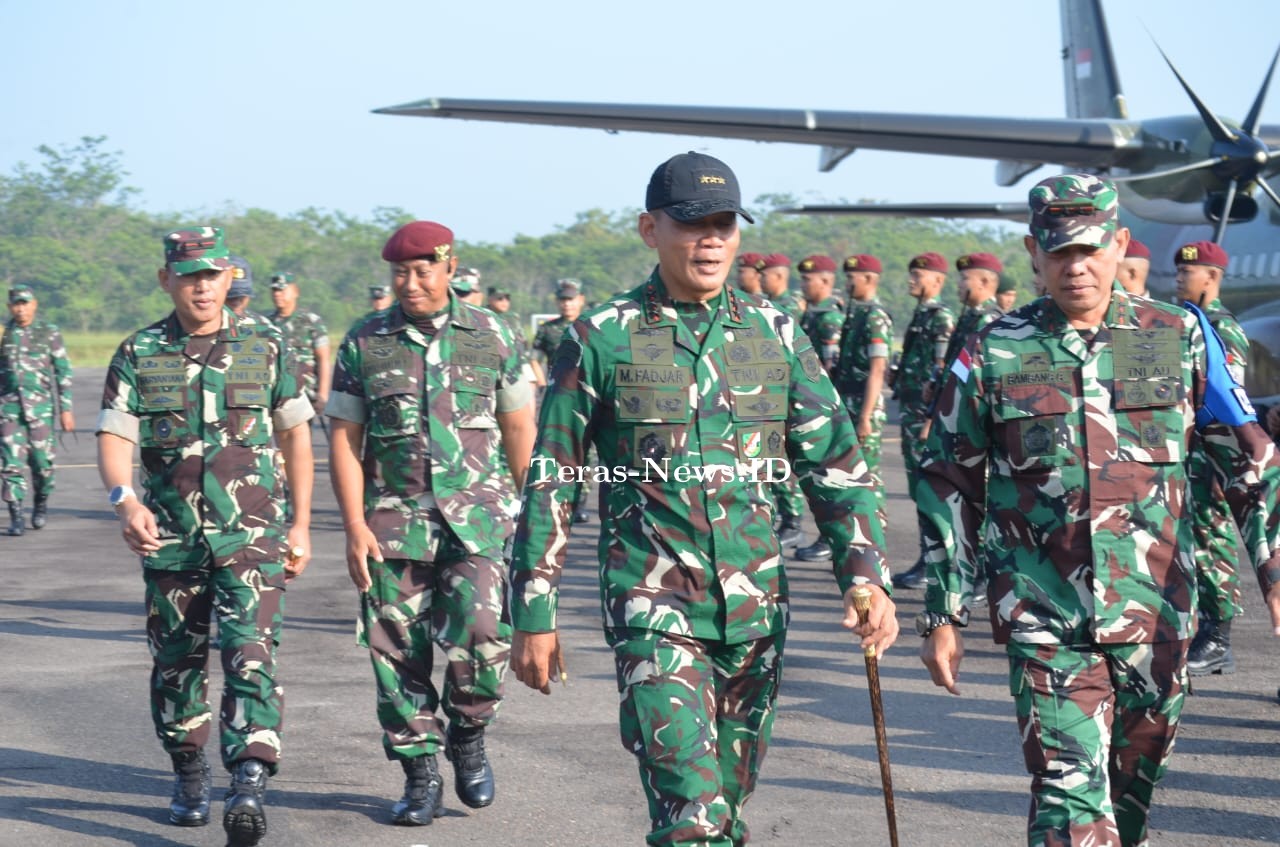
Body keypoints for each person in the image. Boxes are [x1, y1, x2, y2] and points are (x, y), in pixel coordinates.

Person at [508, 151, 897, 847]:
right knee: (691, 813)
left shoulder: (774, 332)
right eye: (693, 224)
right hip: (653, 605)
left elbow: (835, 461)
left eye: (723, 223)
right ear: (649, 229)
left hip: (755, 609)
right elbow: (554, 473)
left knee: (726, 804)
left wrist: (865, 576)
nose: (711, 239)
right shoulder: (603, 336)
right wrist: (533, 610)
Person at [917, 174, 1280, 847]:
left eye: (1089, 249)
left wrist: (1273, 566)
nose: (1076, 267)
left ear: (1117, 244)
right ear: (1033, 251)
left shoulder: (1179, 337)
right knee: (1070, 802)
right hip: (1046, 618)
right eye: (1058, 254)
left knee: (1126, 800)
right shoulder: (993, 349)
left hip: (1157, 614)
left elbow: (1249, 459)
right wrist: (945, 607)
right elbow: (947, 478)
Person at [96, 226, 315, 847]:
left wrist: (300, 522)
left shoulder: (267, 343)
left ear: (228, 279)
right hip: (171, 537)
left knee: (253, 651)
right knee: (176, 662)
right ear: (167, 279)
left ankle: (248, 777)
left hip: (253, 535)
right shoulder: (139, 351)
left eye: (212, 275)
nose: (202, 285)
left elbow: (295, 433)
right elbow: (115, 435)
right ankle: (189, 770)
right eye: (189, 274)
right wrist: (123, 499)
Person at [326, 220, 535, 826]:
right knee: (396, 654)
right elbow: (344, 439)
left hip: (481, 520)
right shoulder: (367, 340)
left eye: (422, 271)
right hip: (394, 523)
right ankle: (420, 772)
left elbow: (519, 428)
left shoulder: (494, 334)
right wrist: (353, 525)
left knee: (483, 634)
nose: (410, 283)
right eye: (399, 272)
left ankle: (468, 733)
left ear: (450, 267)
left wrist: (534, 516)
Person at [1175, 240, 1247, 676]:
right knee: (1188, 540)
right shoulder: (1181, 324)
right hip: (1183, 453)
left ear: (1212, 277)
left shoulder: (1222, 329)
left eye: (1189, 272)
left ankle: (1218, 636)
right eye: (1179, 272)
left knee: (1210, 538)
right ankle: (1201, 627)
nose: (1181, 278)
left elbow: (1229, 404)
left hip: (1210, 453)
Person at [801, 254, 891, 563]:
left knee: (868, 477)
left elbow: (878, 370)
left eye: (854, 276)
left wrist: (865, 417)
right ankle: (854, 543)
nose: (848, 282)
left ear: (869, 279)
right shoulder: (856, 313)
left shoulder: (875, 316)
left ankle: (873, 548)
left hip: (863, 406)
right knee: (843, 475)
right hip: (848, 401)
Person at [890, 253, 955, 590]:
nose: (911, 280)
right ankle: (925, 558)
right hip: (911, 412)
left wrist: (932, 419)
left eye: (918, 275)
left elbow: (941, 372)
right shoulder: (922, 315)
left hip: (923, 418)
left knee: (928, 492)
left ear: (937, 280)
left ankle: (933, 563)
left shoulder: (941, 318)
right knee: (917, 490)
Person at [1, 284, 73, 536]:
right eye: (16, 304)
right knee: (10, 464)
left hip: (41, 410)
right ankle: (16, 515)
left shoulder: (49, 332)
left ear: (34, 304)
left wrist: (66, 409)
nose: (20, 308)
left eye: (25, 303)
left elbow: (62, 370)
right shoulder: (3, 334)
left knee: (42, 464)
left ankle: (40, 503)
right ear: (10, 307)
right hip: (9, 409)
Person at [532, 278, 591, 522]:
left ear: (581, 300)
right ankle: (557, 498)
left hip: (586, 397)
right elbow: (534, 358)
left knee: (588, 452)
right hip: (557, 398)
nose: (567, 304)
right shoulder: (547, 329)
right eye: (563, 299)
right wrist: (543, 383)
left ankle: (580, 503)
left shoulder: (590, 326)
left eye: (571, 299)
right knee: (555, 448)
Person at [268, 272, 331, 415]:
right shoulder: (266, 324)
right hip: (273, 394)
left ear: (295, 291)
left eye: (282, 290)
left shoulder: (311, 321)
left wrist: (322, 394)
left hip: (304, 395)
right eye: (275, 290)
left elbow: (323, 360)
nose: (277, 294)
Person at [797, 254, 844, 372]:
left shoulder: (829, 317)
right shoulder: (812, 313)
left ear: (825, 281)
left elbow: (830, 366)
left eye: (807, 280)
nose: (802, 285)